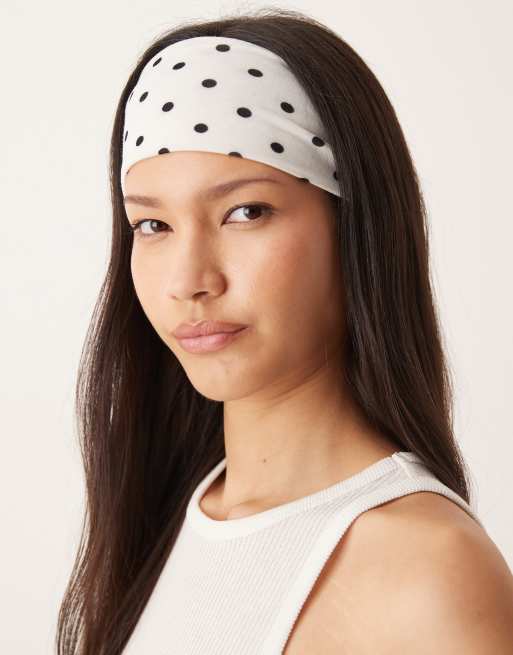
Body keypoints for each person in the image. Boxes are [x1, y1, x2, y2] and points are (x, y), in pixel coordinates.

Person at [56, 8, 513, 655]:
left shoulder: (425, 573)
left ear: (355, 227)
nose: (189, 280)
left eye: (246, 211)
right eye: (153, 225)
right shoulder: (170, 519)